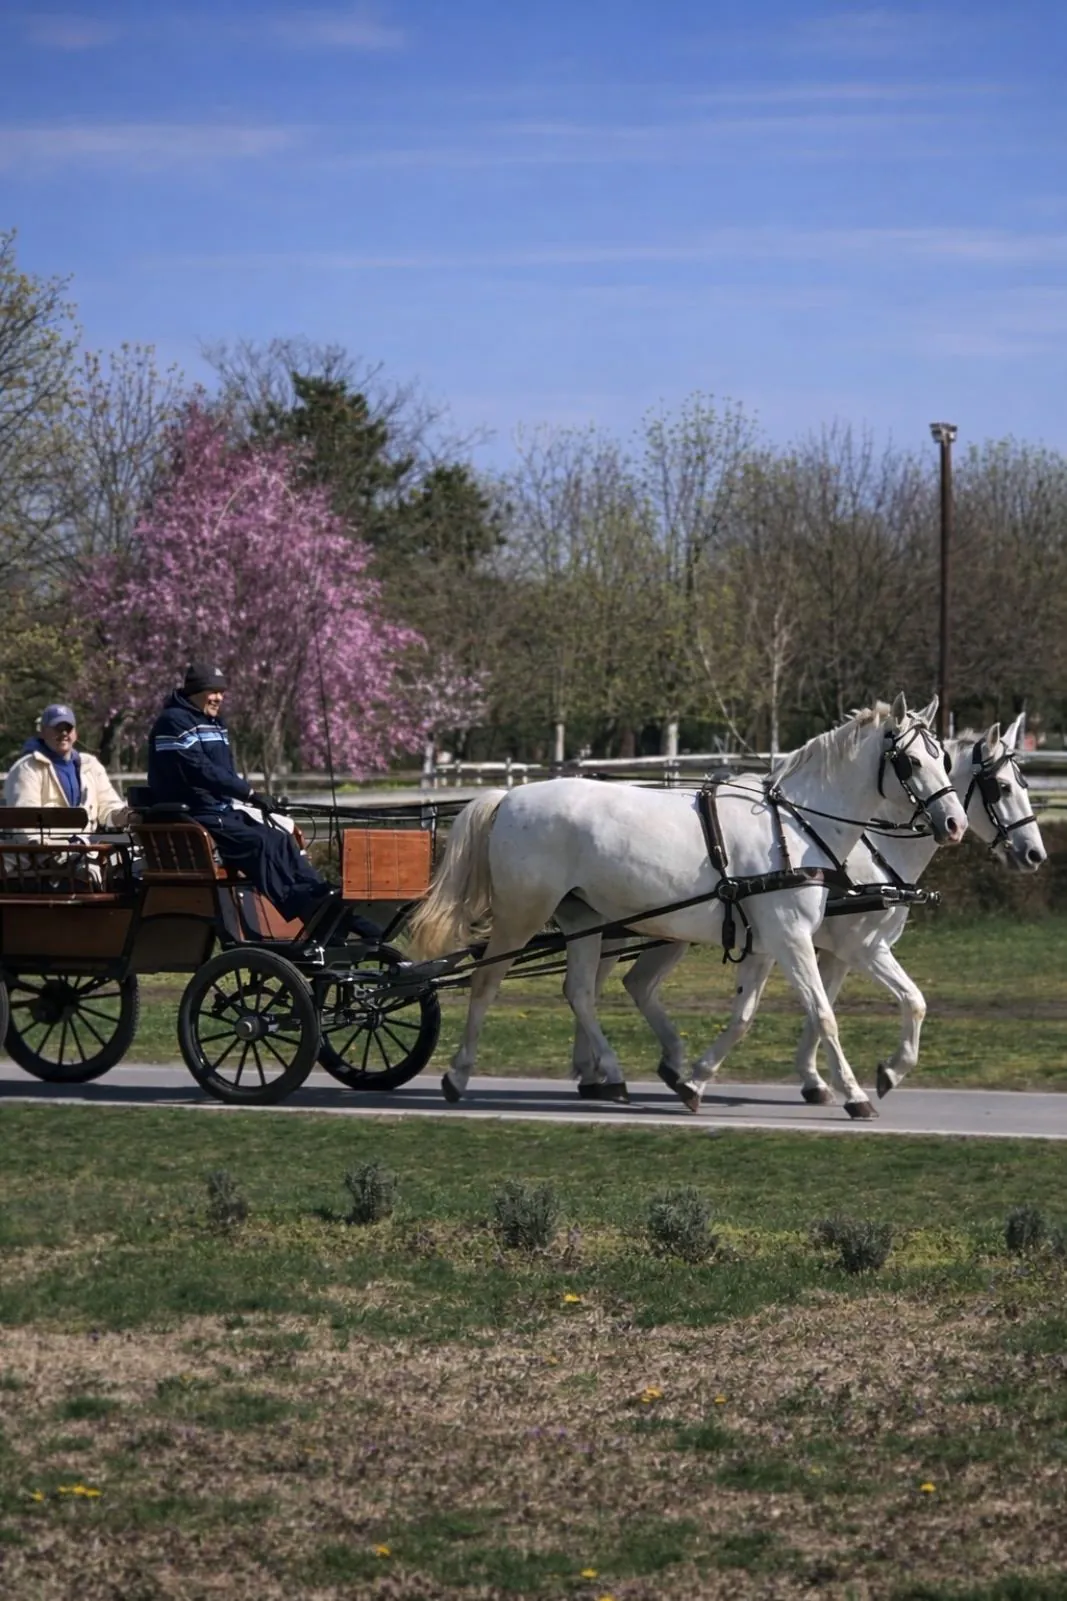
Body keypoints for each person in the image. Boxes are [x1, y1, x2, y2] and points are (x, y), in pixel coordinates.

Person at [146, 661, 376, 936]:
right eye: (213, 691)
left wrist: (248, 798)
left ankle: (321, 895)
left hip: (220, 809)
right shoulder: (173, 722)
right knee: (259, 843)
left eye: (222, 692)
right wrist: (250, 794)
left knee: (280, 838)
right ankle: (305, 907)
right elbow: (200, 770)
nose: (219, 697)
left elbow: (223, 770)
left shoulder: (213, 722)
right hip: (193, 813)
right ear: (194, 690)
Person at [4, 703, 129, 840]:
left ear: (75, 733)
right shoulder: (27, 768)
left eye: (68, 728)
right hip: (45, 853)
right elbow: (25, 822)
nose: (63, 733)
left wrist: (123, 817)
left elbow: (109, 805)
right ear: (43, 732)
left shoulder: (91, 765)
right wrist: (47, 852)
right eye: (57, 728)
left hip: (88, 850)